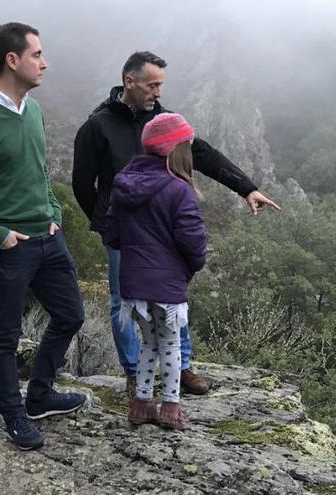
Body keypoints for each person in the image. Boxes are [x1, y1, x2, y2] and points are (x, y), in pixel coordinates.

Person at [72, 51, 280, 397]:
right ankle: (135, 372)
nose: (158, 92)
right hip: (124, 234)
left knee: (172, 296)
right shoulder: (98, 125)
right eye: (152, 85)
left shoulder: (167, 122)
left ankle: (181, 367)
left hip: (165, 228)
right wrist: (108, 226)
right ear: (129, 82)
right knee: (122, 302)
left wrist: (248, 188)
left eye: (160, 85)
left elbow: (205, 155)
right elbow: (82, 183)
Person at [0, 22, 86, 451]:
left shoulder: (35, 111)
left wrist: (54, 210)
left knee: (71, 315)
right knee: (4, 336)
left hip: (48, 238)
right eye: (37, 55)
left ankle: (40, 395)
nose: (45, 63)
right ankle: (13, 416)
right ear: (12, 60)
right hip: (9, 248)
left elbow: (39, 171)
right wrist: (0, 235)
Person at [105, 113, 206, 430]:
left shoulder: (124, 183)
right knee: (171, 346)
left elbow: (112, 234)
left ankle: (141, 404)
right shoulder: (179, 190)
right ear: (178, 150)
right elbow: (193, 243)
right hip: (167, 288)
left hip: (133, 286)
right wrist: (190, 266)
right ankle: (171, 408)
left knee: (149, 344)